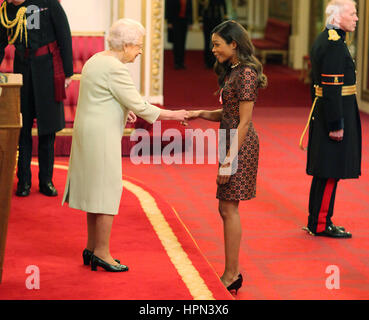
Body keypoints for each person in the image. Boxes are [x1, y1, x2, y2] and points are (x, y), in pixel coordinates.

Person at [62, 18, 189, 272]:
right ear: (127, 44)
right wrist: (176, 115)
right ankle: (102, 252)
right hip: (102, 136)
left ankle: (91, 248)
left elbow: (102, 96)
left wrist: (122, 110)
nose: (140, 51)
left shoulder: (97, 59)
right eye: (139, 46)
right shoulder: (115, 68)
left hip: (87, 132)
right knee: (107, 191)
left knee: (94, 191)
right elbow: (141, 105)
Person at [188, 20, 267, 292]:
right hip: (230, 140)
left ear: (234, 44)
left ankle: (232, 273)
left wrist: (228, 160)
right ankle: (231, 271)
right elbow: (228, 113)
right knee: (225, 207)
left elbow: (244, 122)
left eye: (217, 44)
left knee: (228, 208)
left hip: (240, 145)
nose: (213, 50)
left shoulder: (245, 74)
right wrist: (200, 113)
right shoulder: (233, 70)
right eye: (212, 44)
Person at [0, 0, 73, 197]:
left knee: (47, 130)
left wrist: (67, 73)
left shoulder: (49, 3)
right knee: (21, 128)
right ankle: (23, 181)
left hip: (48, 69)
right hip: (22, 69)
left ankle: (46, 181)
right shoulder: (6, 9)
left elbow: (64, 35)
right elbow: (0, 42)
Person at [301, 0, 361, 238]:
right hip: (334, 114)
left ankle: (318, 220)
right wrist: (336, 124)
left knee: (324, 171)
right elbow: (331, 88)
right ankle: (320, 224)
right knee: (330, 171)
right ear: (337, 18)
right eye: (352, 13)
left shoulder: (327, 38)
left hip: (324, 111)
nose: (356, 18)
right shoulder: (335, 44)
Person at [165, 0, 193, 69]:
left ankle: (181, 62)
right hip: (175, 21)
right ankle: (176, 62)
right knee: (176, 42)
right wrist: (169, 21)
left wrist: (190, 22)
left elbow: (190, 9)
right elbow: (168, 8)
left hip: (184, 21)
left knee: (183, 42)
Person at [200, 0, 227, 69]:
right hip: (207, 21)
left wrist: (225, 20)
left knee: (217, 42)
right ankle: (207, 61)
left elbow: (224, 6)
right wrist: (200, 21)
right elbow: (200, 7)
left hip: (217, 21)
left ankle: (216, 61)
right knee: (206, 42)